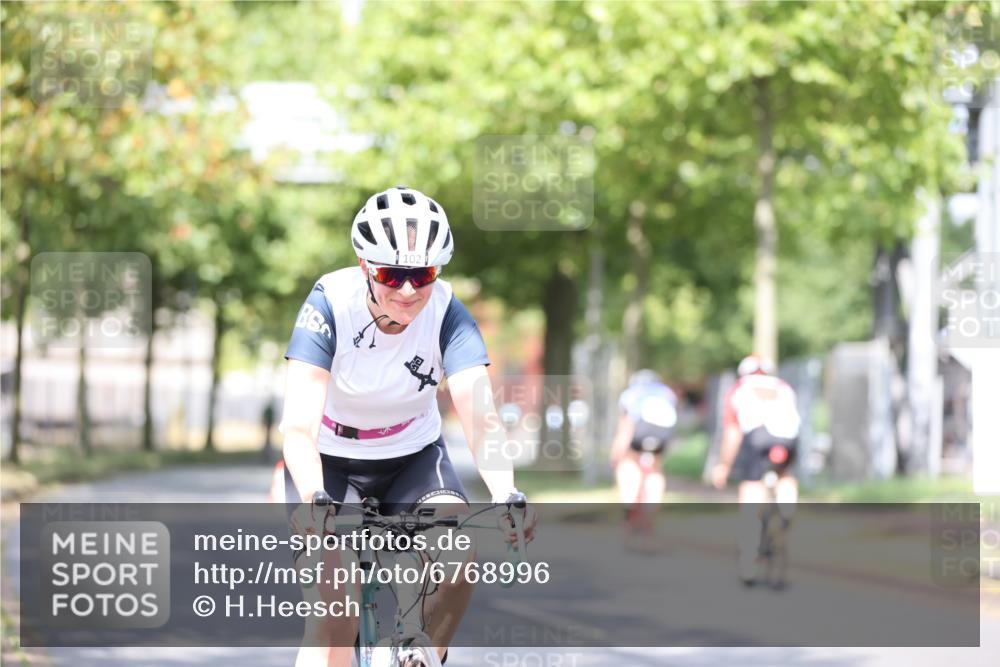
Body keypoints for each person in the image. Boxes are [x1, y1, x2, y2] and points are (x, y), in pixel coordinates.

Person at [280, 186, 535, 667]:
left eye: (422, 275)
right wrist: (315, 497)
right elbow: (297, 426)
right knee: (334, 613)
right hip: (329, 461)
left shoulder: (447, 311)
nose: (408, 290)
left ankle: (414, 657)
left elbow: (480, 416)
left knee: (458, 558)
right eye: (391, 274)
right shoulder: (329, 303)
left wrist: (506, 491)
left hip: (412, 456)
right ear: (364, 266)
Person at [711, 354, 800, 583]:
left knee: (751, 497)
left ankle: (748, 561)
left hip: (758, 438)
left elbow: (733, 433)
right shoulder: (783, 387)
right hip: (787, 440)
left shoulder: (739, 389)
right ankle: (787, 504)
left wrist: (724, 465)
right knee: (785, 474)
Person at [609, 369, 679, 547]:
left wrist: (616, 454)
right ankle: (651, 510)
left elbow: (626, 426)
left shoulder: (631, 395)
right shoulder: (667, 393)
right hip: (662, 437)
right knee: (655, 471)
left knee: (628, 465)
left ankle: (629, 504)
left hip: (639, 435)